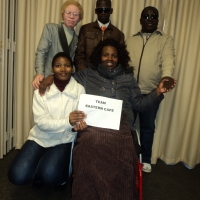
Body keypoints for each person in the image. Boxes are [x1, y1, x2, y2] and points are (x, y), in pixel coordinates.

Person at [39, 38, 176, 199]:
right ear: (99, 56)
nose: (109, 59)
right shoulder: (87, 74)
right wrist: (50, 78)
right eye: (105, 55)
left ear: (120, 58)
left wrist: (158, 92)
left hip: (121, 128)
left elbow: (139, 104)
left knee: (122, 153)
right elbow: (65, 77)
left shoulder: (128, 78)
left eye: (114, 56)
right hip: (92, 126)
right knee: (88, 144)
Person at [7, 52, 86, 190]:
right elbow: (42, 122)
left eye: (67, 65)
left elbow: (80, 118)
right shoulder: (41, 90)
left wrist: (77, 127)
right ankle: (41, 168)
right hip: (40, 138)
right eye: (58, 65)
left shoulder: (79, 90)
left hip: (64, 139)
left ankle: (54, 174)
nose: (62, 69)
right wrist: (67, 122)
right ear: (52, 69)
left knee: (49, 174)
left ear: (72, 69)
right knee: (17, 176)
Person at [125, 6, 176, 173]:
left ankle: (145, 160)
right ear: (140, 20)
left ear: (157, 20)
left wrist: (167, 77)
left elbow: (168, 60)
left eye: (153, 16)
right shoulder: (130, 40)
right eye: (146, 16)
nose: (149, 19)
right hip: (130, 91)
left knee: (147, 127)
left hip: (152, 92)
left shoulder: (165, 40)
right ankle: (126, 157)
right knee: (127, 126)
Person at [32, 0, 83, 89]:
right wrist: (39, 73)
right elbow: (41, 52)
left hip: (66, 82)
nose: (71, 16)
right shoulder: (51, 29)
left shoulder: (77, 39)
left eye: (75, 14)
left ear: (79, 18)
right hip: (48, 79)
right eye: (68, 13)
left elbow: (72, 62)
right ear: (63, 14)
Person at [74, 0, 125, 71]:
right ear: (95, 11)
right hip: (88, 74)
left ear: (111, 11)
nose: (103, 13)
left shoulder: (118, 34)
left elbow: (121, 59)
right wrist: (85, 74)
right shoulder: (85, 29)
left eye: (106, 10)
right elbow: (79, 55)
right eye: (99, 10)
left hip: (109, 77)